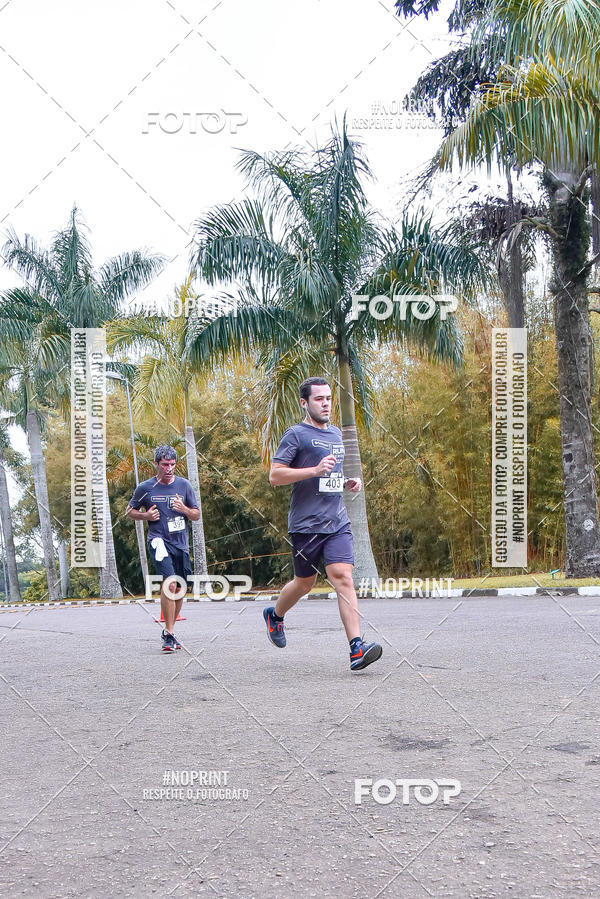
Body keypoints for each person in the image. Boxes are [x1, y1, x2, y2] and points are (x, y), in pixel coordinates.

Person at [264, 377, 383, 671]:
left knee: (342, 575)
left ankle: (357, 648)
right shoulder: (295, 435)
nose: (326, 403)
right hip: (305, 524)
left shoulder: (335, 434)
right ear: (305, 403)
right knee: (305, 583)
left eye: (329, 398)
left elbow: (328, 478)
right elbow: (275, 476)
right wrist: (314, 470)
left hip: (337, 521)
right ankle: (275, 615)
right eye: (319, 399)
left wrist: (346, 482)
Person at [126, 445, 201, 652]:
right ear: (156, 464)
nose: (169, 468)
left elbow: (196, 514)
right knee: (169, 584)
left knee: (179, 589)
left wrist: (184, 509)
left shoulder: (184, 485)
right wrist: (146, 516)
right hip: (158, 540)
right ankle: (168, 634)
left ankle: (171, 629)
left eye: (172, 464)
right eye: (165, 464)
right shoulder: (146, 488)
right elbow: (129, 511)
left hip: (181, 544)